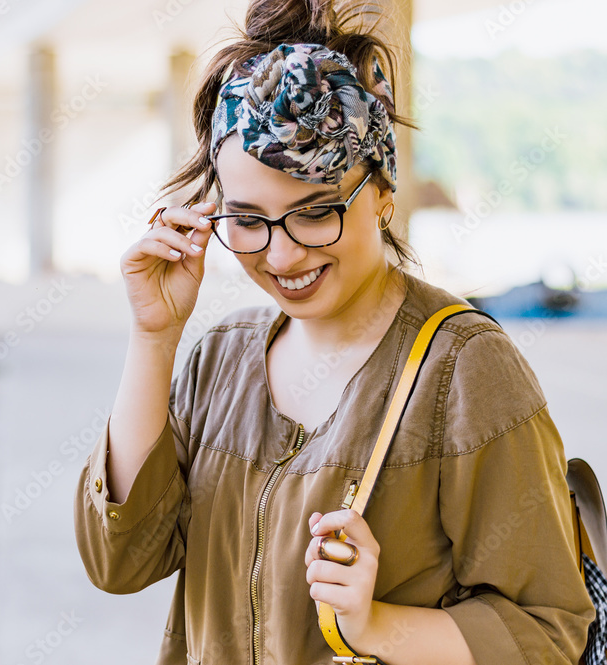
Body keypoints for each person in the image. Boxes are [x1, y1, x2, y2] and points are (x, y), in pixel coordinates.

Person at [72, 0, 596, 663]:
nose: (283, 254)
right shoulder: (221, 358)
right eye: (248, 219)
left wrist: (373, 625)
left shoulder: (466, 370)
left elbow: (546, 630)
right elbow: (120, 559)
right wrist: (154, 336)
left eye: (315, 212)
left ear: (382, 193)